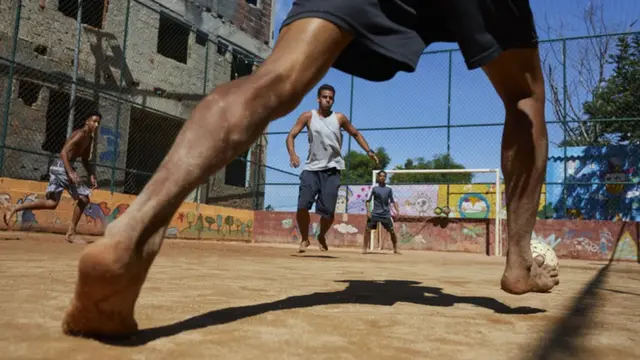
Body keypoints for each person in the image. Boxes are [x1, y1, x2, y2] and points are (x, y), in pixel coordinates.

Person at [61, 0, 560, 337]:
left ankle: (137, 226)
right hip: (316, 166)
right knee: (524, 96)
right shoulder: (316, 117)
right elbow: (303, 132)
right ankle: (517, 262)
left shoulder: (337, 117)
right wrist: (300, 151)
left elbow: (347, 130)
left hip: (329, 164)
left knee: (274, 78)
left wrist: (358, 148)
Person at [287, 84, 379, 253]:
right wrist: (292, 154)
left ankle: (321, 235)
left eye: (330, 98)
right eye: (324, 97)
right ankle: (305, 239)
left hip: (332, 170)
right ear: (318, 98)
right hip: (311, 169)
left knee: (328, 213)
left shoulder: (339, 118)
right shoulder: (308, 116)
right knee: (302, 206)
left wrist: (369, 151)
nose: (328, 100)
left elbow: (356, 133)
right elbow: (291, 135)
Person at [2, 112, 100, 243]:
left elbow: (84, 159)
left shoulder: (89, 139)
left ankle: (14, 208)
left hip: (58, 168)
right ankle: (71, 233)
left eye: (98, 122)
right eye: (94, 121)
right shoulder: (80, 134)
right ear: (87, 121)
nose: (96, 125)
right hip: (62, 168)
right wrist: (70, 172)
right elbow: (63, 152)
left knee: (51, 203)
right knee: (83, 198)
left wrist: (91, 175)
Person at [363, 170, 400, 254]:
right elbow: (367, 201)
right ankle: (364, 248)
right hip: (375, 213)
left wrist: (397, 211)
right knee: (367, 230)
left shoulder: (389, 188)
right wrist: (368, 211)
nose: (382, 177)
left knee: (392, 231)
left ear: (385, 178)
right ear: (378, 177)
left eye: (384, 176)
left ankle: (395, 248)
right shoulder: (374, 188)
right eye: (381, 176)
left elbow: (394, 201)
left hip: (386, 214)